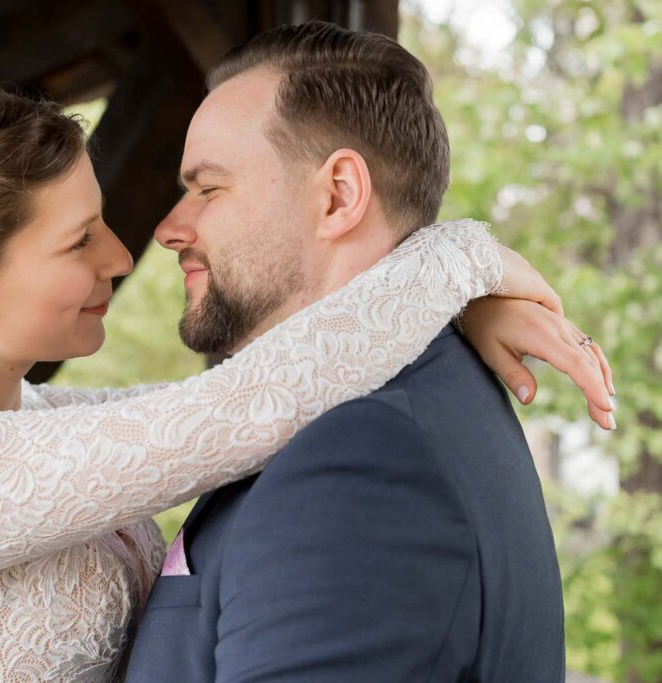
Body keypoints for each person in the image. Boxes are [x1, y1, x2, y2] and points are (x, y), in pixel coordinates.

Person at [0, 74, 611, 681]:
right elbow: (247, 407)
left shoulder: (34, 416)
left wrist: (458, 306)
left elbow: (271, 385)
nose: (123, 255)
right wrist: (460, 259)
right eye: (79, 241)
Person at [124, 21, 599, 682]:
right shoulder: (385, 407)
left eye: (208, 188)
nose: (171, 228)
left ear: (340, 196)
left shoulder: (361, 455)